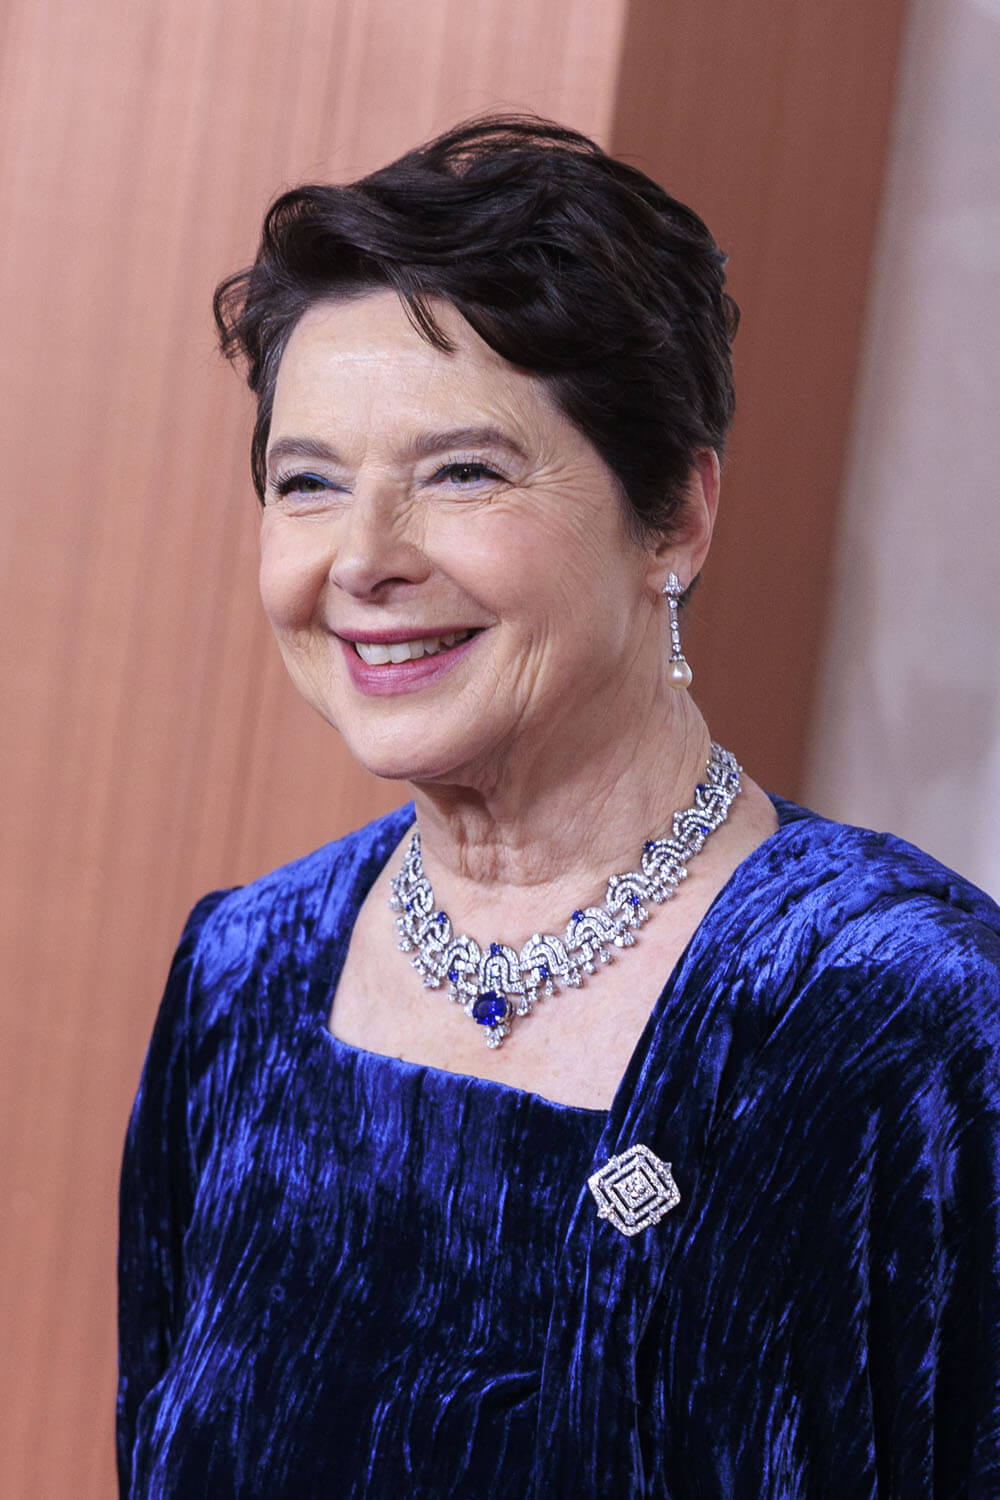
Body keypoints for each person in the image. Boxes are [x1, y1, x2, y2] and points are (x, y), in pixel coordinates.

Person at [116, 116, 1000, 1498]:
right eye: (308, 484)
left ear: (677, 516)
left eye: (463, 471)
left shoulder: (898, 1017)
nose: (363, 558)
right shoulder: (239, 978)